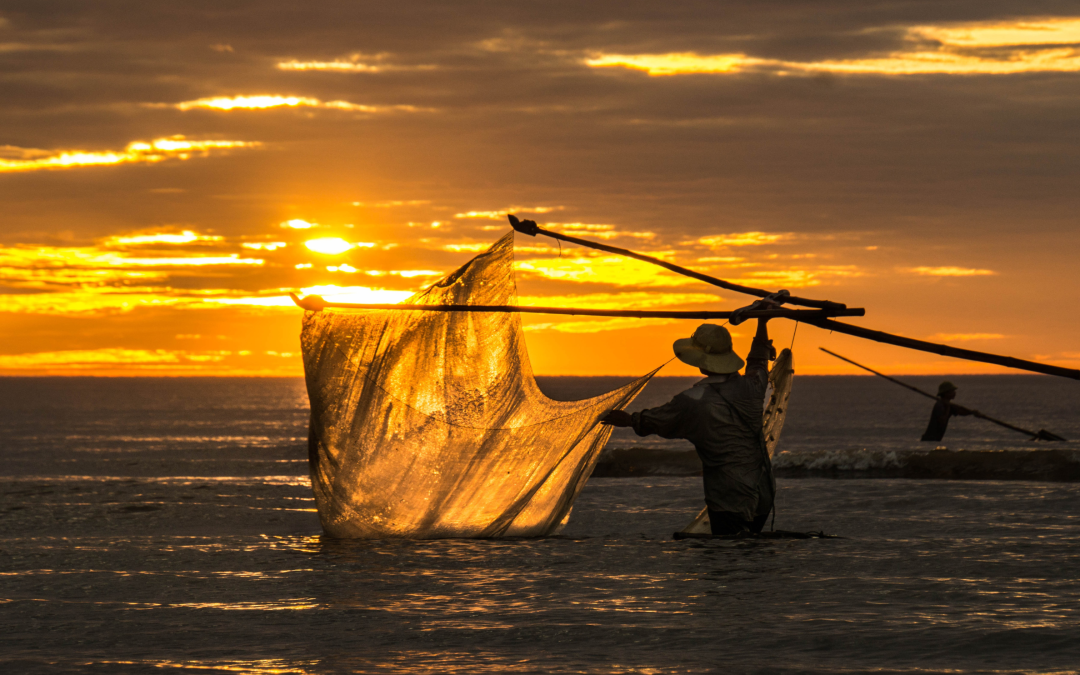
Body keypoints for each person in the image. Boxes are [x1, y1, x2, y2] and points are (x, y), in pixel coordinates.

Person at [603, 318, 775, 535]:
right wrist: (762, 320)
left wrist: (629, 420)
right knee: (750, 549)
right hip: (763, 490)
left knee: (728, 552)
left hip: (729, 496)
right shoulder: (752, 386)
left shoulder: (692, 401)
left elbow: (658, 420)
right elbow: (759, 360)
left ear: (702, 360)